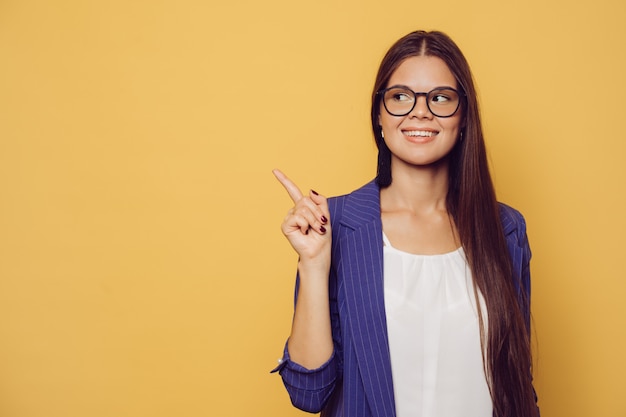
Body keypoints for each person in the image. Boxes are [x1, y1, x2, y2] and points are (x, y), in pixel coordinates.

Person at [271, 30, 539, 417]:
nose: (420, 112)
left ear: (463, 117)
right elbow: (309, 393)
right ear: (379, 114)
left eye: (440, 98)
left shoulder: (505, 228)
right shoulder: (337, 223)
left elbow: (518, 384)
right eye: (400, 97)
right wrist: (313, 263)